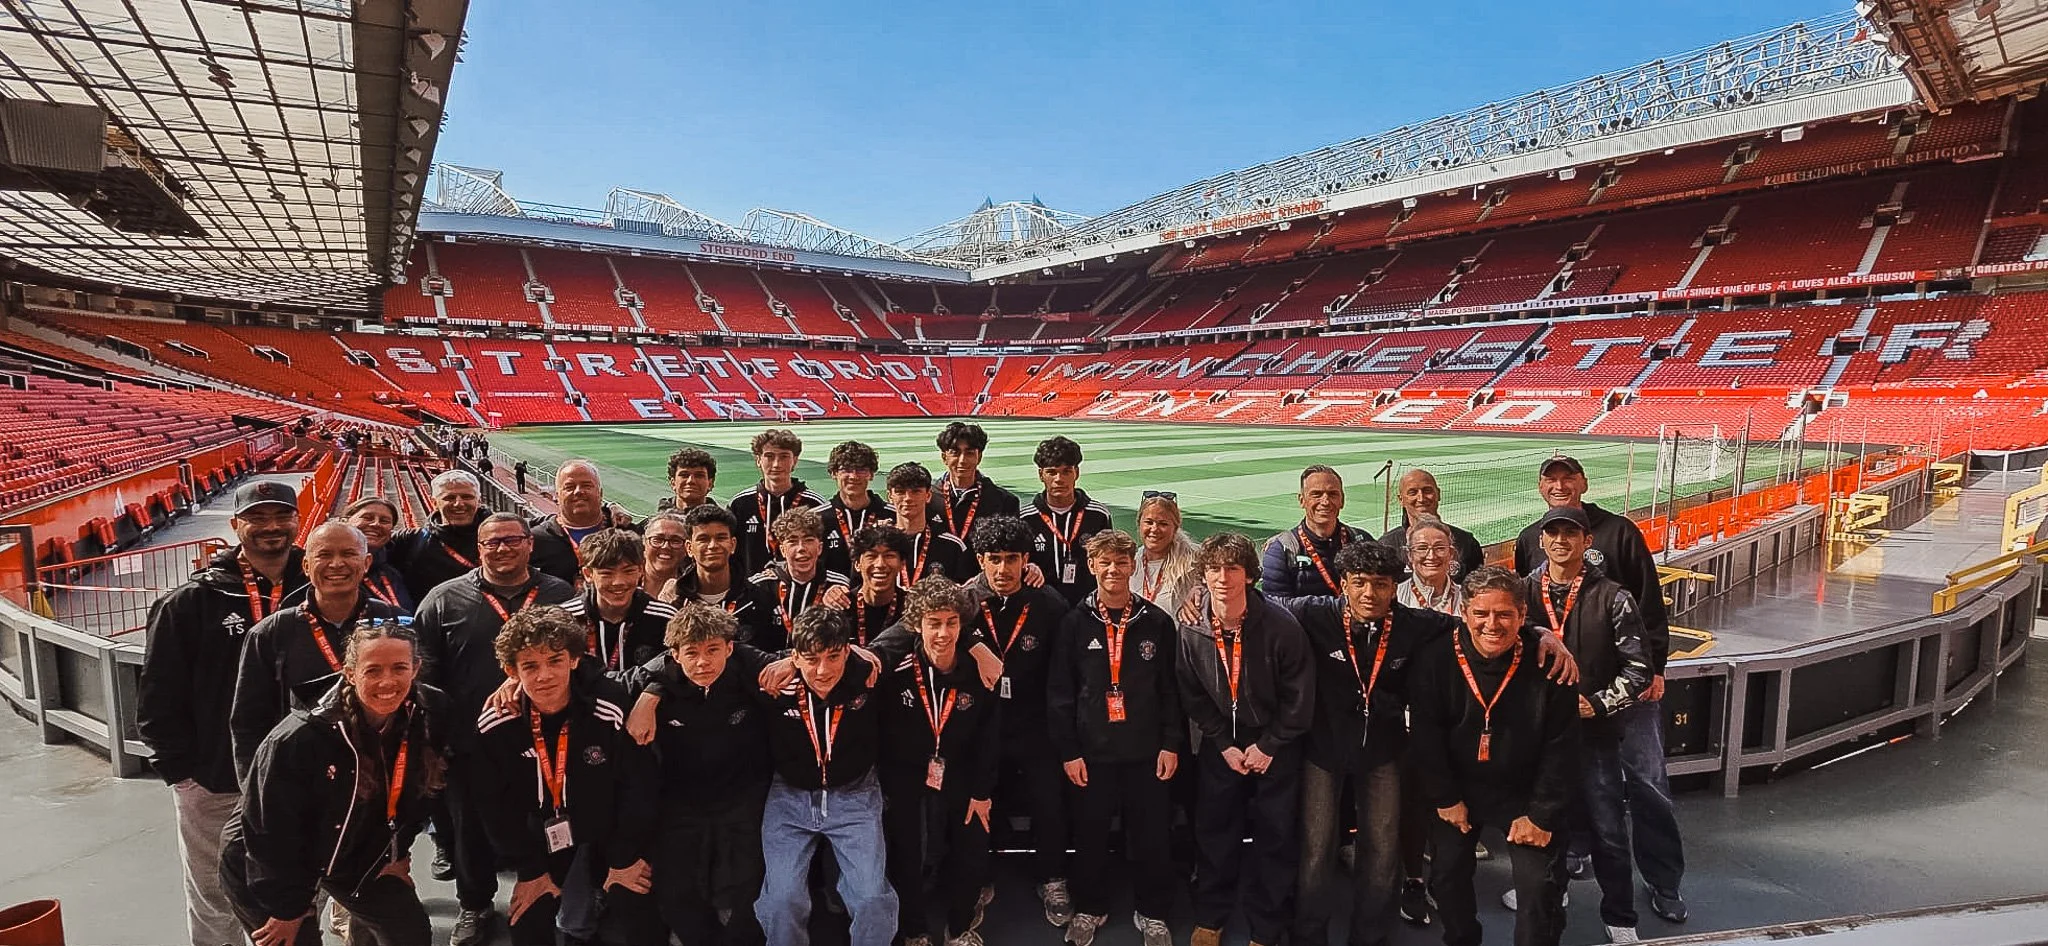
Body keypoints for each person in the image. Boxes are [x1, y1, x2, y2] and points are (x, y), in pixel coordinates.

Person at [1511, 455, 1686, 924]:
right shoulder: (1532, 538)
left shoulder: (1621, 532)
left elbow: (1648, 602)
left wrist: (1654, 670)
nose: (1561, 485)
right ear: (1540, 487)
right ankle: (1568, 865)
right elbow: (1526, 618)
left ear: (1584, 484)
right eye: (1551, 479)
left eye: (1570, 478)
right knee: (1562, 789)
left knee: (1646, 784)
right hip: (1558, 705)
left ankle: (1663, 881)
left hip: (1621, 690)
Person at [139, 480, 307, 946]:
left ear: (298, 521)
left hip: (303, 775)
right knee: (216, 891)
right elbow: (157, 695)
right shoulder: (189, 602)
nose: (271, 527)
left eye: (281, 516)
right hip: (216, 778)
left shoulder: (321, 590)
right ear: (236, 526)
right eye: (257, 517)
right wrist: (182, 774)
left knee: (303, 885)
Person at [220, 621, 453, 946]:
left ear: (416, 668)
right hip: (269, 863)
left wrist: (394, 853)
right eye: (373, 670)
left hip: (354, 848)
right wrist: (287, 909)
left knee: (407, 932)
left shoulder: (431, 711)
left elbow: (420, 795)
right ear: (350, 673)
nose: (387, 681)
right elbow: (269, 831)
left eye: (399, 667)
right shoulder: (298, 738)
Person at [412, 511, 577, 946]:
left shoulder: (559, 594)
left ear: (529, 544)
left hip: (548, 737)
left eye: (512, 540)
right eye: (492, 543)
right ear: (478, 549)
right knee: (471, 830)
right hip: (470, 742)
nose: (502, 549)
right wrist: (435, 740)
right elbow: (424, 675)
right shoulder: (444, 599)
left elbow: (581, 659)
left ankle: (552, 892)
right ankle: (475, 904)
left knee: (548, 820)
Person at [1286, 540, 1458, 946]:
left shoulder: (1414, 623)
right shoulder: (1314, 613)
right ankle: (1309, 936)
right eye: (1359, 583)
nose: (1369, 593)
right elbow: (1257, 605)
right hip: (1323, 750)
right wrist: (1203, 597)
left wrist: (1538, 632)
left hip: (1384, 750)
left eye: (1380, 584)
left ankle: (1371, 937)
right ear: (1343, 583)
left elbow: (1473, 625)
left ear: (1393, 587)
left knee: (1381, 850)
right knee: (1316, 849)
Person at [1411, 566, 1583, 946]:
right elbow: (1425, 736)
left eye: (1505, 614)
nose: (1493, 624)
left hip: (1526, 791)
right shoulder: (1435, 660)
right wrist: (1445, 798)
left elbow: (1563, 747)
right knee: (1448, 876)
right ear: (1464, 611)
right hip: (1458, 787)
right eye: (1482, 614)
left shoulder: (1551, 666)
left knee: (1540, 888)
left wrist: (1541, 815)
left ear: (1523, 616)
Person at [473, 606, 663, 946]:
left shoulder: (609, 707)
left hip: (610, 834)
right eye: (530, 666)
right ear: (510, 671)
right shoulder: (496, 726)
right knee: (527, 923)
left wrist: (623, 859)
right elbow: (495, 810)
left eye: (555, 661)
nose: (544, 675)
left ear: (574, 660)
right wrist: (531, 870)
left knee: (639, 912)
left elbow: (639, 788)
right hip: (544, 841)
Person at [1516, 505, 1653, 942]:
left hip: (1594, 737)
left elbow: (1639, 671)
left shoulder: (1614, 597)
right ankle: (1546, 898)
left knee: (1609, 830)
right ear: (1541, 540)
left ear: (1586, 542)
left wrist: (1595, 704)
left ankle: (1620, 916)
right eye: (1552, 532)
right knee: (1540, 824)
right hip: (1537, 738)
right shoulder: (1520, 594)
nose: (1560, 540)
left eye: (1570, 534)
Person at [1178, 532, 1315, 946]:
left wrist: (1269, 745)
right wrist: (1222, 742)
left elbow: (1300, 696)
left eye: (1233, 569)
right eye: (1215, 569)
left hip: (1275, 745)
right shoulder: (1191, 627)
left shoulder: (1281, 625)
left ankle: (1267, 925)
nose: (1223, 577)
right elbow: (1191, 693)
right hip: (1223, 743)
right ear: (1203, 574)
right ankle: (1211, 915)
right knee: (1215, 831)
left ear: (1250, 576)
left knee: (1276, 836)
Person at [1047, 530, 1182, 946]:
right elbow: (1060, 695)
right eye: (1104, 562)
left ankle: (1153, 912)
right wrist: (1069, 752)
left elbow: (1170, 691)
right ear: (1092, 566)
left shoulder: (1156, 622)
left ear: (1133, 566)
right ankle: (1090, 907)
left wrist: (1171, 743)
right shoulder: (1073, 622)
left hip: (1146, 752)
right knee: (1089, 835)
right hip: (1092, 754)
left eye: (1121, 562)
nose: (1113, 570)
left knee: (1152, 836)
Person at [622, 604, 776, 946]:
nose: (703, 662)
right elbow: (597, 684)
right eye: (692, 653)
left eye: (713, 651)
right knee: (676, 889)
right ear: (674, 655)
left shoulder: (748, 669)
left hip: (744, 795)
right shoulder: (654, 680)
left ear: (729, 648)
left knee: (749, 885)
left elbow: (799, 659)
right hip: (682, 798)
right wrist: (650, 693)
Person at [755, 608, 899, 946]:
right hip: (789, 798)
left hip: (856, 794)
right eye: (811, 658)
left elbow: (909, 630)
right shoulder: (773, 682)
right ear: (793, 657)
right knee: (780, 901)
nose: (822, 670)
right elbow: (718, 650)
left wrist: (867, 652)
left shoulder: (866, 674)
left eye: (833, 657)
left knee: (872, 899)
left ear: (847, 652)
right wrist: (651, 691)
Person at [964, 515, 1076, 926]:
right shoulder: (964, 603)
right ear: (980, 559)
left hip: (1034, 722)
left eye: (1012, 558)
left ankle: (1052, 877)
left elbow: (1063, 675)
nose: (1003, 569)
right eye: (994, 558)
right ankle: (976, 880)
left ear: (1027, 559)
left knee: (1049, 801)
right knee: (976, 802)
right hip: (980, 724)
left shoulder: (1048, 604)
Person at [230, 521, 402, 785]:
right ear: (307, 566)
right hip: (300, 777)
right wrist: (255, 787)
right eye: (324, 555)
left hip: (380, 775)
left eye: (348, 554)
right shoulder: (271, 633)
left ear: (366, 563)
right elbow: (248, 722)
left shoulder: (396, 622)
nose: (336, 564)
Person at [878, 577, 1000, 946]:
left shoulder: (981, 671)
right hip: (906, 773)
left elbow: (989, 737)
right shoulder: (895, 669)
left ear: (963, 626)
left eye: (951, 622)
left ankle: (960, 926)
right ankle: (914, 930)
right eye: (934, 623)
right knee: (906, 850)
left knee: (971, 843)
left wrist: (982, 791)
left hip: (960, 769)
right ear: (917, 625)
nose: (943, 633)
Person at [560, 528, 677, 680]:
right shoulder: (564, 620)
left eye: (628, 571)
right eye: (607, 574)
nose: (618, 582)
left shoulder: (667, 619)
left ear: (641, 570)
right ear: (588, 574)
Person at [665, 504, 778, 646]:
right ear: (689, 548)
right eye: (703, 539)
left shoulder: (759, 600)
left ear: (733, 545)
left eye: (721, 538)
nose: (712, 546)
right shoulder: (674, 602)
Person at [1262, 465, 1375, 601]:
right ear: (1302, 500)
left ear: (1342, 500)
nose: (1325, 501)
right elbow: (1277, 608)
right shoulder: (1282, 549)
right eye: (1316, 494)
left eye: (1332, 494)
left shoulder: (1363, 541)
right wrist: (1338, 609)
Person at [1025, 436, 1115, 604]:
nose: (1059, 479)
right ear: (1041, 474)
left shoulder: (1098, 515)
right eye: (1052, 472)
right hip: (1042, 607)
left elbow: (1109, 561)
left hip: (1088, 608)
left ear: (1077, 473)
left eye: (1066, 471)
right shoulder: (1026, 518)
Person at [728, 428, 828, 577]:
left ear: (794, 460)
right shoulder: (740, 503)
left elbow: (826, 554)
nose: (776, 464)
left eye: (784, 457)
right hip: (750, 593)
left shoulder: (815, 504)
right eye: (769, 456)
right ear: (758, 460)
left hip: (800, 592)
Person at [750, 507, 853, 649]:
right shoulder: (759, 586)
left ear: (820, 548)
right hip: (772, 666)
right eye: (792, 541)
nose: (801, 548)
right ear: (783, 550)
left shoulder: (838, 586)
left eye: (808, 540)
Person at [389, 470, 485, 603]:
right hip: (433, 620)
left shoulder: (504, 538)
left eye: (467, 497)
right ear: (434, 503)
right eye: (449, 498)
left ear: (478, 500)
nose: (459, 503)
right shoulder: (410, 541)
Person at [1380, 469, 1485, 580]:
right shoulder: (1386, 546)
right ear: (1401, 500)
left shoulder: (1466, 543)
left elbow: (1478, 590)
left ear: (1438, 494)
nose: (1421, 498)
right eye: (1412, 493)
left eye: (1427, 491)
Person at [885, 461, 976, 584]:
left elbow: (965, 592)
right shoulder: (877, 543)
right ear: (890, 496)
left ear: (928, 495)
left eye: (916, 491)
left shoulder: (952, 546)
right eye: (900, 492)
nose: (908, 498)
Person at [930, 422, 1022, 542]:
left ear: (979, 457)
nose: (962, 460)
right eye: (955, 453)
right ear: (944, 457)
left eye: (969, 453)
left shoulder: (1004, 501)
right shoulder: (928, 497)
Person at [531, 459, 615, 585]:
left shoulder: (622, 531)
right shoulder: (535, 540)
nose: (578, 491)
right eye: (569, 487)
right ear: (557, 496)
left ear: (600, 493)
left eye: (586, 485)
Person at [824, 440, 892, 577]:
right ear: (834, 473)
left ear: (871, 474)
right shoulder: (818, 517)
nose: (854, 476)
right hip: (831, 596)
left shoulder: (892, 515)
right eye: (846, 469)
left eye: (861, 470)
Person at [1132, 490, 1201, 614]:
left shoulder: (1196, 562)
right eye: (1149, 522)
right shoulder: (1130, 561)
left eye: (1163, 524)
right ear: (1139, 524)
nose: (1154, 529)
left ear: (1175, 528)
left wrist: (1203, 591)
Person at [344, 497, 415, 614]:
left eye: (384, 521)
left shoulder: (397, 570)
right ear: (346, 521)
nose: (376, 524)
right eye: (367, 518)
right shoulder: (325, 570)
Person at [1398, 518, 1468, 616]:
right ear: (1409, 555)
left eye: (1440, 548)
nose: (1431, 556)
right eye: (1422, 548)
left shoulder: (1467, 598)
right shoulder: (1395, 597)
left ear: (1451, 553)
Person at [642, 509, 692, 599]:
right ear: (644, 542)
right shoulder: (624, 581)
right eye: (657, 539)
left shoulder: (691, 591)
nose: (665, 546)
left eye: (675, 541)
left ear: (687, 547)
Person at [656, 447, 718, 515]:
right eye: (684, 475)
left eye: (699, 475)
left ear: (710, 483)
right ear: (673, 483)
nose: (691, 480)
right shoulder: (653, 525)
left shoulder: (725, 524)